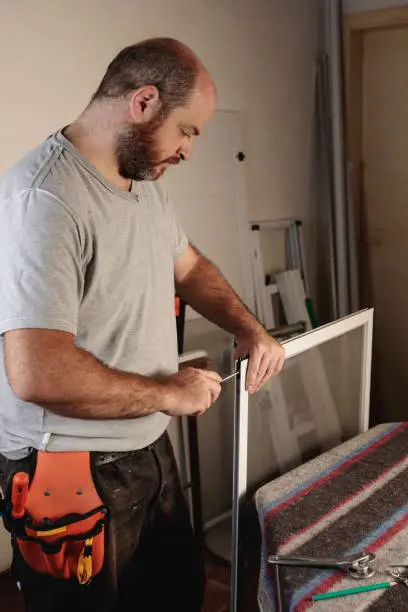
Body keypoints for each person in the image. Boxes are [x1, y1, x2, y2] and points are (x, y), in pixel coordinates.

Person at [0, 38, 285, 612]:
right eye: (188, 131)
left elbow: (189, 266)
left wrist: (249, 327)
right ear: (144, 102)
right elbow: (37, 374)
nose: (187, 150)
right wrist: (168, 392)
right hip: (67, 467)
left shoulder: (145, 188)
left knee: (174, 593)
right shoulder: (46, 199)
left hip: (145, 446)